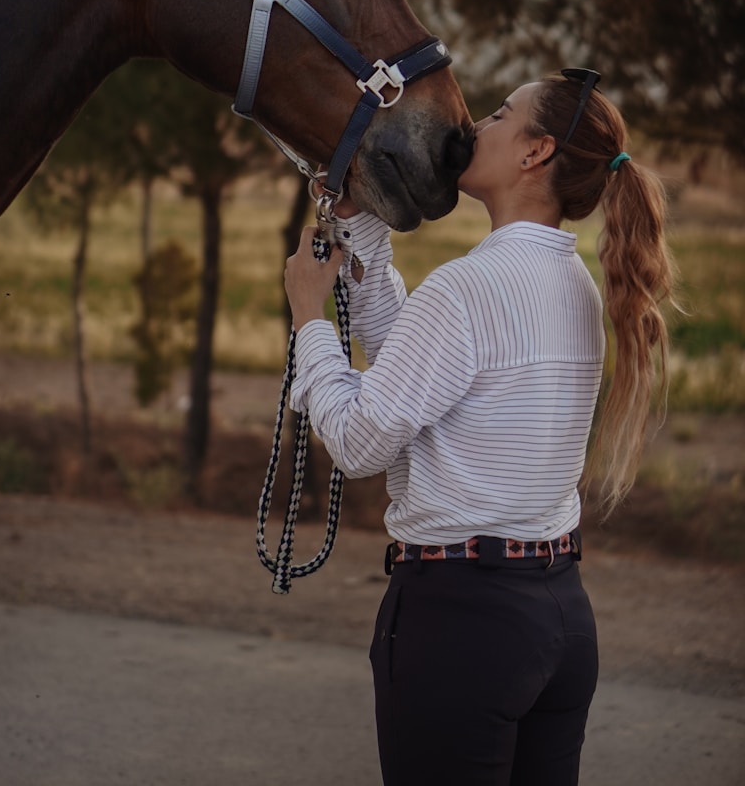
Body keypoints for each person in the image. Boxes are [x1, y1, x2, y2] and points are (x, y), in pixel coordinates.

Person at [283, 68, 677, 786]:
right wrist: (363, 224)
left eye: (501, 113)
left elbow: (358, 442)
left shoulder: (469, 289)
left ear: (535, 153)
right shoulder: (577, 288)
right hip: (559, 618)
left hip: (462, 627)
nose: (478, 125)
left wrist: (310, 316)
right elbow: (419, 369)